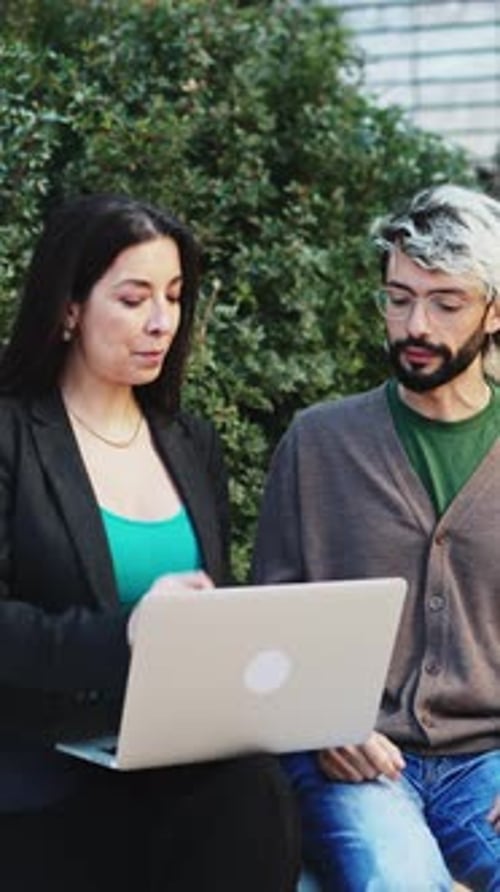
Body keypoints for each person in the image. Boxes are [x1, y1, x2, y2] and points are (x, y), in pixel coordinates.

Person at [0, 193, 300, 892]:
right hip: (45, 762)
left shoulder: (189, 441)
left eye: (174, 296)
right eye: (134, 299)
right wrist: (130, 631)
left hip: (176, 753)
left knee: (255, 791)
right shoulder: (13, 436)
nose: (162, 323)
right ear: (69, 308)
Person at [252, 184, 500, 892]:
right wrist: (323, 720)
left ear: (495, 311)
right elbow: (269, 626)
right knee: (400, 879)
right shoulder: (319, 443)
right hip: (354, 754)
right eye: (398, 298)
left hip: (488, 762)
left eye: (445, 303)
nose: (414, 324)